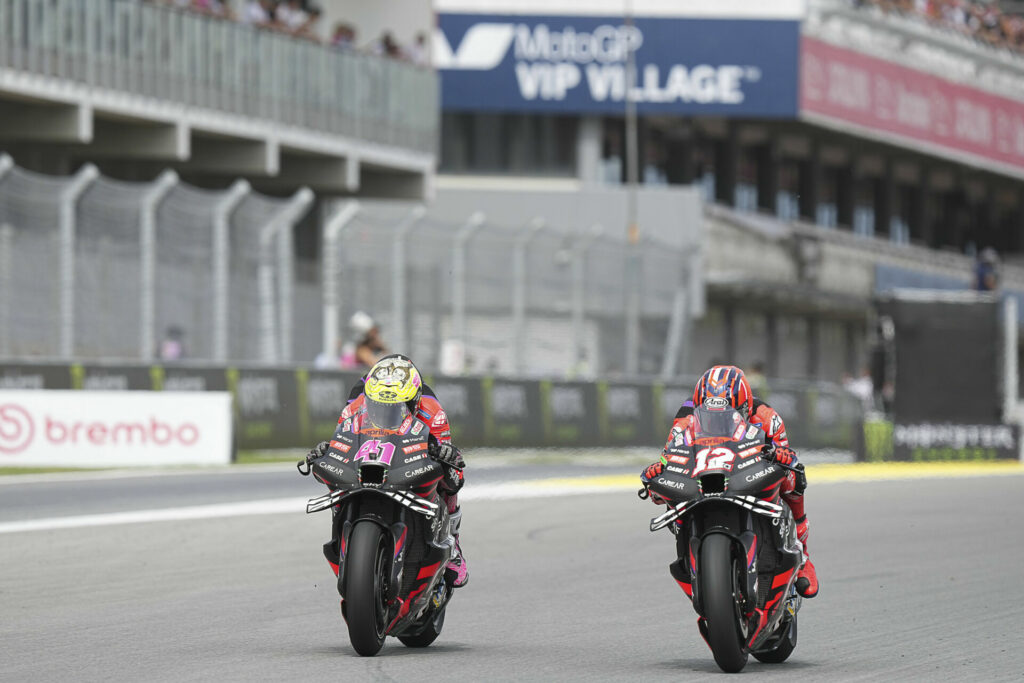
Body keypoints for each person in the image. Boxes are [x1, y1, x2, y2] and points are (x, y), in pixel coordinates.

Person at [640, 365, 818, 598]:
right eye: (710, 415)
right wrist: (658, 476)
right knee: (671, 497)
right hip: (704, 474)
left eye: (728, 414)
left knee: (793, 480)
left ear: (745, 407)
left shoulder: (766, 416)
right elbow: (670, 459)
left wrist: (783, 458)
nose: (719, 420)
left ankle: (804, 557)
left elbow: (787, 457)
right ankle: (689, 553)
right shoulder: (685, 418)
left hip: (746, 468)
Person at [306, 354, 469, 587]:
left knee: (449, 480)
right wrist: (326, 450)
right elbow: (341, 443)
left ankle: (454, 543)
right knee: (341, 479)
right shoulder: (354, 408)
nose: (386, 413)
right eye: (379, 406)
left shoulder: (432, 412)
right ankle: (344, 536)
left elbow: (454, 471)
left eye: (397, 407)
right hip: (371, 456)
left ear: (414, 402)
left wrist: (445, 455)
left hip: (412, 453)